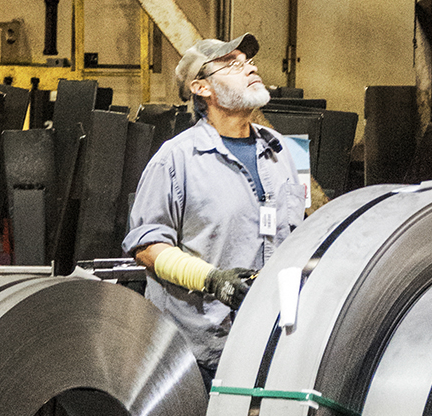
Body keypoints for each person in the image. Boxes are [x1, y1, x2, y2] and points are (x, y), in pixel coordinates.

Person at [125, 34, 307, 380]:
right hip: (200, 357)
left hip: (272, 347)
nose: (249, 68)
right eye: (232, 63)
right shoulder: (176, 159)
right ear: (201, 88)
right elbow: (146, 246)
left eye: (249, 62)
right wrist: (211, 279)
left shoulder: (284, 151)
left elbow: (297, 232)